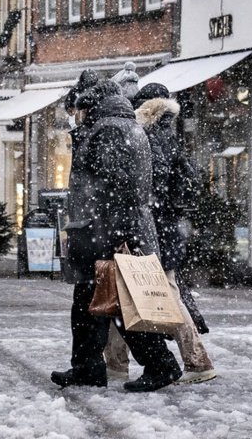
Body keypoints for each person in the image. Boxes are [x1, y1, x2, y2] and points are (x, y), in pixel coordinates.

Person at [51, 78, 182, 393]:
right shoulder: (126, 125)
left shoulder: (110, 130)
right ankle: (88, 367)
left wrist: (110, 232)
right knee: (95, 302)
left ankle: (159, 364)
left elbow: (114, 185)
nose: (75, 117)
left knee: (120, 302)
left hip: (106, 229)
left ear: (91, 106)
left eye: (79, 109)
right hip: (113, 227)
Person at [105, 82, 216, 385]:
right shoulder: (169, 136)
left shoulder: (148, 136)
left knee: (157, 296)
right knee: (129, 293)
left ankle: (196, 361)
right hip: (164, 228)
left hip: (153, 229)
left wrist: (145, 212)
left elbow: (149, 186)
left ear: (142, 108)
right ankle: (116, 362)